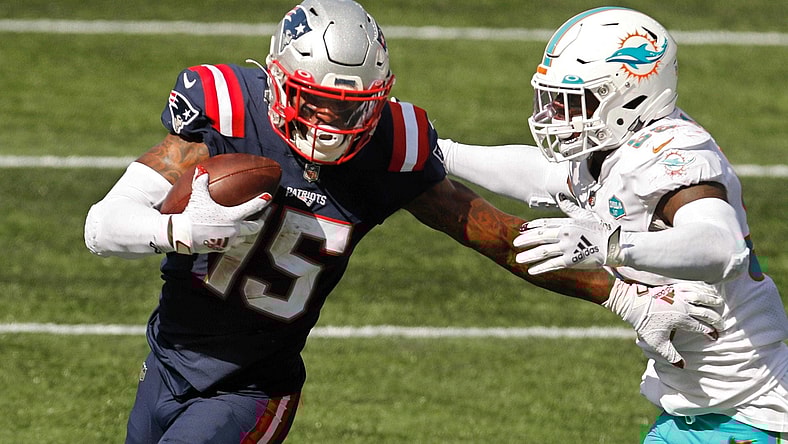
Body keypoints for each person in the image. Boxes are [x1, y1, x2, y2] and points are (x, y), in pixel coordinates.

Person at [84, 1, 723, 442]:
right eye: (318, 104)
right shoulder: (225, 109)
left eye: (351, 108)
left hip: (252, 386)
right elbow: (101, 224)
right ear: (278, 79)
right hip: (168, 355)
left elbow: (495, 235)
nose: (334, 127)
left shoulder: (389, 147)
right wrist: (176, 231)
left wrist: (623, 296)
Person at [439, 6, 788, 443]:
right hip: (692, 411)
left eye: (576, 100)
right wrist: (442, 152)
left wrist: (613, 244)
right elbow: (541, 176)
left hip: (748, 413)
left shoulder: (671, 156)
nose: (556, 115)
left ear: (631, 97)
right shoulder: (613, 149)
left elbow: (722, 247)